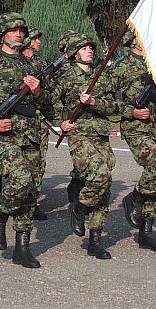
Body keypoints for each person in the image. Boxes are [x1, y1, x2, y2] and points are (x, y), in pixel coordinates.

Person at [0, 13, 53, 268]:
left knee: (30, 191)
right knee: (20, 179)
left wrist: (38, 92)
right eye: (13, 30)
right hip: (3, 135)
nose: (19, 34)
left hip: (30, 134)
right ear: (2, 34)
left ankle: (22, 247)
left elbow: (48, 106)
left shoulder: (32, 68)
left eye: (21, 30)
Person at [54, 31, 119, 260]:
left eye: (91, 47)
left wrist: (94, 102)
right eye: (84, 47)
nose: (90, 50)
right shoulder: (65, 78)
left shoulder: (101, 76)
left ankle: (95, 239)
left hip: (100, 135)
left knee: (104, 189)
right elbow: (47, 104)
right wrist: (60, 123)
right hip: (79, 135)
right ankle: (80, 207)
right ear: (73, 53)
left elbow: (114, 106)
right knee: (101, 176)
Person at [109, 32, 156, 252]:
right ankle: (133, 198)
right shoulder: (121, 66)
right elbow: (103, 98)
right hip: (136, 129)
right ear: (132, 40)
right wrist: (130, 111)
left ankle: (146, 231)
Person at [19, 28, 52, 221]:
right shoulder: (19, 63)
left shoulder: (41, 63)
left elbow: (49, 92)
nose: (39, 41)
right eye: (36, 38)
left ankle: (32, 202)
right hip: (21, 119)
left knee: (38, 161)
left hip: (38, 119)